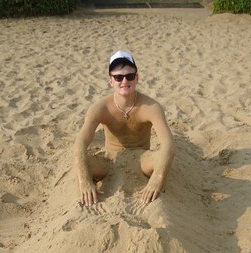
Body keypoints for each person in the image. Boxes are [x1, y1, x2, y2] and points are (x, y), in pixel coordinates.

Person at [73, 50, 175, 207]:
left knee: (163, 156)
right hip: (110, 161)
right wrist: (84, 181)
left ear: (137, 77)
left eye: (130, 76)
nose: (124, 81)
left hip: (143, 159)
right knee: (81, 159)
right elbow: (80, 143)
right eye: (118, 77)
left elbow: (168, 144)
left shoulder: (151, 106)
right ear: (111, 81)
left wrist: (157, 179)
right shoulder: (100, 108)